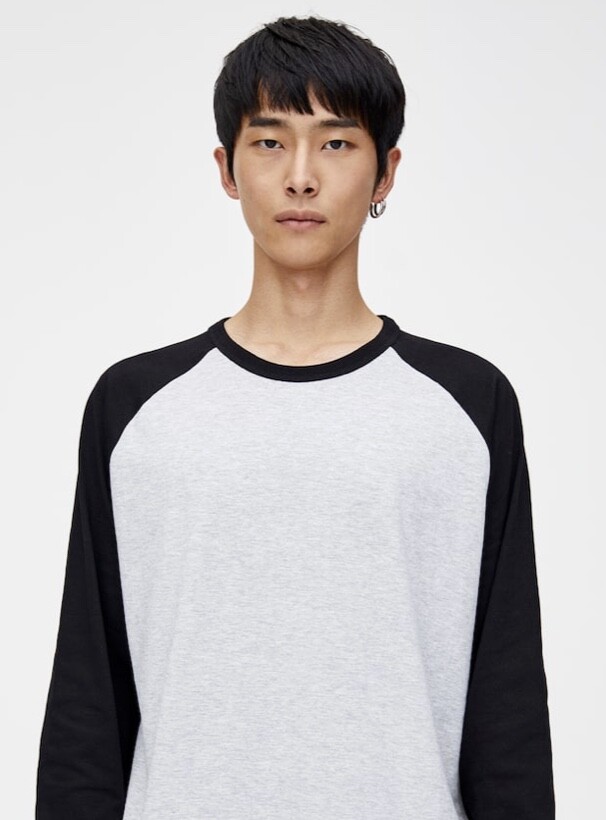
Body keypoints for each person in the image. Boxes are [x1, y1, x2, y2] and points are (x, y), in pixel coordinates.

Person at [35, 15, 555, 819]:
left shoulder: (467, 406)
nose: (302, 177)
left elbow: (508, 711)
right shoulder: (134, 407)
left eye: (337, 143)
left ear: (385, 173)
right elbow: (87, 704)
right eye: (270, 142)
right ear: (227, 168)